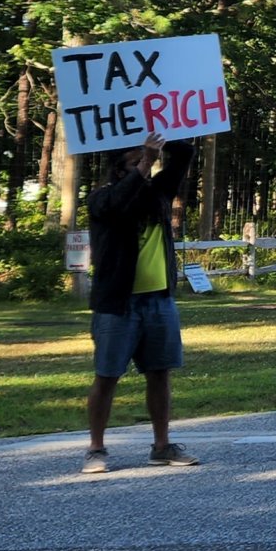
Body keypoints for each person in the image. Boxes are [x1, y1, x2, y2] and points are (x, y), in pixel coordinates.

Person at [83, 131, 199, 474]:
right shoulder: (101, 200)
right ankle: (96, 449)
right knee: (107, 376)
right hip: (117, 305)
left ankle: (162, 446)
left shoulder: (159, 195)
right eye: (136, 162)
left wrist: (170, 130)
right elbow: (119, 202)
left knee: (160, 374)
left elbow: (184, 157)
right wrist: (146, 161)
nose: (146, 168)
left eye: (148, 161)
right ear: (120, 170)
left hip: (159, 302)